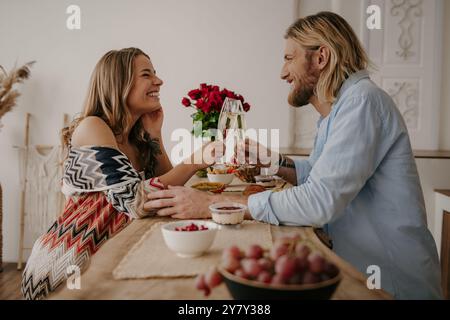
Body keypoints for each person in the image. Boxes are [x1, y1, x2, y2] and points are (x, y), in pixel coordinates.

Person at [144, 12, 442, 299]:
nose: (283, 72)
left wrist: (214, 204)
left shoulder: (361, 103)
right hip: (361, 272)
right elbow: (318, 173)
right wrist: (273, 162)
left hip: (390, 283)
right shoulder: (341, 108)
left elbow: (319, 201)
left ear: (321, 57)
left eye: (289, 58)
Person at [21, 47, 221, 300]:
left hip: (109, 256)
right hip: (65, 265)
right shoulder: (93, 127)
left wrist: (155, 136)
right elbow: (134, 201)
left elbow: (168, 191)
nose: (159, 81)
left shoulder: (135, 139)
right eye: (146, 74)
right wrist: (195, 161)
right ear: (119, 83)